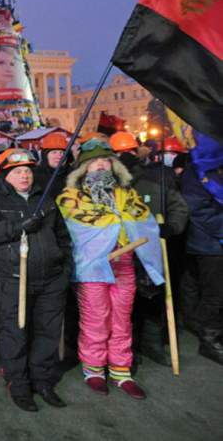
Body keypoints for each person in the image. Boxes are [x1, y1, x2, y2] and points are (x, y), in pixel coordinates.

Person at [56, 138, 164, 399]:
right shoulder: (70, 197)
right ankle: (94, 369)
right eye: (94, 162)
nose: (101, 166)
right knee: (96, 319)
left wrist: (145, 222)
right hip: (91, 266)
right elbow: (82, 227)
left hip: (124, 265)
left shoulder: (127, 193)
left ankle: (120, 369)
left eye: (106, 161)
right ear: (83, 168)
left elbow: (141, 218)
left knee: (121, 318)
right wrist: (118, 221)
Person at [0, 148, 72, 411]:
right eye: (17, 171)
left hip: (51, 279)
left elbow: (62, 236)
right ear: (6, 175)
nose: (24, 176)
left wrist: (64, 268)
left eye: (28, 171)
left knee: (48, 332)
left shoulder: (46, 198)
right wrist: (18, 227)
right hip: (14, 278)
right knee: (15, 332)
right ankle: (18, 384)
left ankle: (42, 380)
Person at [111, 131, 189, 367]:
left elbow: (178, 207)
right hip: (121, 254)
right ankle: (127, 350)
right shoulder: (107, 184)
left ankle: (153, 345)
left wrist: (171, 228)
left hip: (153, 253)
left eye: (129, 153)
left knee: (154, 300)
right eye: (120, 154)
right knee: (124, 306)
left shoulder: (156, 180)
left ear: (137, 153)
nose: (125, 158)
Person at [180, 134, 223, 365]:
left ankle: (203, 324)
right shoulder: (195, 172)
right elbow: (198, 209)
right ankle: (209, 339)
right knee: (215, 292)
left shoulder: (216, 168)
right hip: (209, 243)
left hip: (213, 241)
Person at [34, 132, 72, 201]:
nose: (59, 156)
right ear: (45, 156)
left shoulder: (73, 174)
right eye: (54, 152)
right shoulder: (35, 175)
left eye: (62, 153)